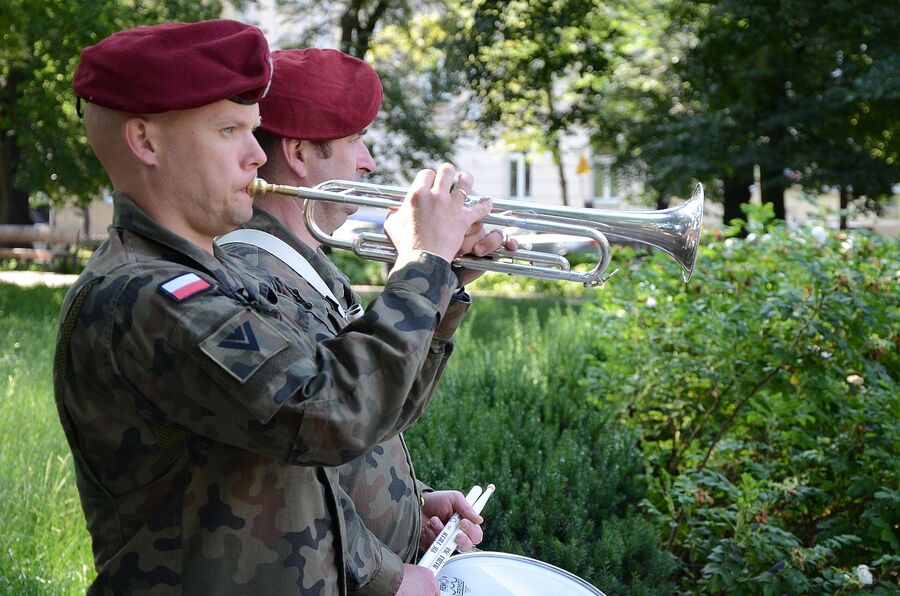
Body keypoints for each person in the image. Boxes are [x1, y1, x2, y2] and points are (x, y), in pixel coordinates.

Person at [55, 20, 493, 595]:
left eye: (254, 131)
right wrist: (422, 266)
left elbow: (291, 454)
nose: (257, 157)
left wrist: (442, 279)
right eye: (230, 130)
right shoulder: (147, 297)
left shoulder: (214, 275)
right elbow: (327, 414)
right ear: (146, 142)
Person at [218, 48, 513, 595]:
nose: (370, 162)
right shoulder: (251, 276)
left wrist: (409, 503)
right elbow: (292, 461)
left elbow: (382, 406)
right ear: (301, 154)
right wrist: (424, 268)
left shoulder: (307, 269)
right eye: (355, 139)